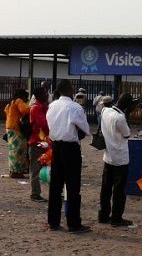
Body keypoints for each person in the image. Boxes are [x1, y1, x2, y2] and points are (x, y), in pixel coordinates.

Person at [46, 79, 91, 233]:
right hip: (71, 147)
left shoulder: (52, 106)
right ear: (69, 90)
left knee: (55, 185)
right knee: (72, 186)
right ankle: (73, 222)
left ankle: (53, 220)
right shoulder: (75, 107)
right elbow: (85, 128)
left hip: (56, 146)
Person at [98, 93, 135, 227]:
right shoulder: (120, 118)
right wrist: (128, 114)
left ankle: (103, 214)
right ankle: (116, 217)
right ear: (128, 106)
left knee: (106, 187)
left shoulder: (105, 111)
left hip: (108, 156)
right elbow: (127, 133)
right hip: (120, 157)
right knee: (119, 189)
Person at [28, 86, 51, 201]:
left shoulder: (44, 107)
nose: (47, 95)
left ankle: (54, 192)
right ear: (39, 95)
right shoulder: (36, 108)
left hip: (44, 142)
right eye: (45, 93)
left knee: (49, 168)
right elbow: (44, 124)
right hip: (37, 143)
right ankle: (35, 194)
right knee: (36, 170)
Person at [4, 89, 30, 178]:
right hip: (15, 128)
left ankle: (14, 170)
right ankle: (15, 171)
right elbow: (25, 110)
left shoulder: (12, 101)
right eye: (26, 98)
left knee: (13, 149)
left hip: (10, 127)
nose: (26, 100)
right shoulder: (18, 101)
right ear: (22, 96)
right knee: (18, 150)